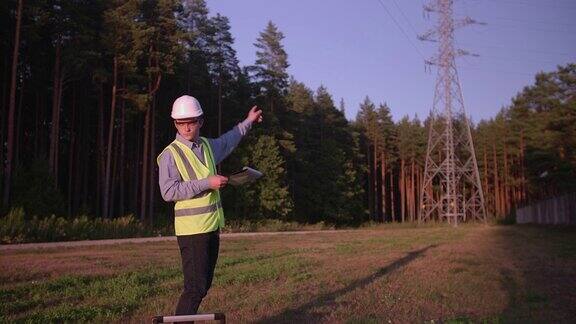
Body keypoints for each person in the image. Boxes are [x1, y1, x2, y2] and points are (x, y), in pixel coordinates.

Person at [157, 95, 262, 315]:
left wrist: (248, 121)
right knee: (194, 289)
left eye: (191, 122)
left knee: (201, 287)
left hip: (211, 227)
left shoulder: (206, 145)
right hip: (193, 231)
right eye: (181, 123)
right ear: (175, 123)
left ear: (200, 121)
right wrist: (208, 183)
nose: (186, 127)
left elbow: (228, 140)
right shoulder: (170, 154)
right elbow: (168, 191)